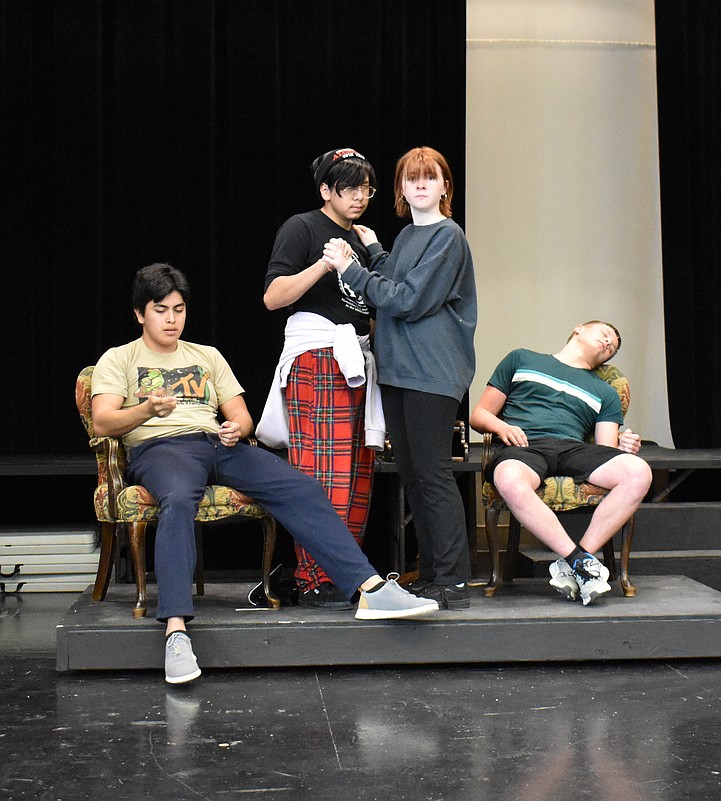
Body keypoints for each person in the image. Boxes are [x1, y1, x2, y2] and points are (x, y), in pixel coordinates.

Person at [91, 263, 439, 685]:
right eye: (161, 310)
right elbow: (103, 423)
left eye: (179, 309)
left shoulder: (206, 356)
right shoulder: (120, 358)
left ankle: (368, 589)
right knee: (179, 500)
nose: (171, 319)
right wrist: (147, 409)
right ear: (139, 314)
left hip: (217, 444)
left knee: (300, 486)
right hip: (161, 448)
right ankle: (176, 630)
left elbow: (241, 415)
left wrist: (237, 427)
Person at [321, 146, 477, 611]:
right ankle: (431, 575)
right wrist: (372, 251)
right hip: (399, 371)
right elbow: (395, 273)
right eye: (412, 178)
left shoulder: (449, 236)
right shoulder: (410, 234)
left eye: (431, 177)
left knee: (432, 475)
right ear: (401, 188)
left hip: (433, 372)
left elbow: (408, 299)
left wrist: (353, 268)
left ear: (445, 186)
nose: (421, 185)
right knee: (412, 476)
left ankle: (453, 580)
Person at [257, 147, 383, 610]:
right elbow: (273, 297)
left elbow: (370, 310)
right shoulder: (304, 227)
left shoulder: (366, 239)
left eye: (366, 187)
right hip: (317, 357)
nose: (359, 196)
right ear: (326, 189)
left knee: (358, 474)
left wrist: (368, 254)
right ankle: (313, 577)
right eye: (349, 187)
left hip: (358, 359)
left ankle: (345, 576)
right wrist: (326, 264)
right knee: (323, 473)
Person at [468, 321, 652, 606]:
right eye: (604, 334)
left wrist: (623, 446)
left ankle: (575, 563)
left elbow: (605, 448)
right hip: (525, 444)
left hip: (573, 448)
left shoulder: (605, 392)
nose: (608, 343)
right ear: (578, 329)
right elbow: (479, 414)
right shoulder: (522, 359)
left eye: (612, 347)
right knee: (508, 478)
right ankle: (580, 563)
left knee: (639, 471)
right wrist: (502, 428)